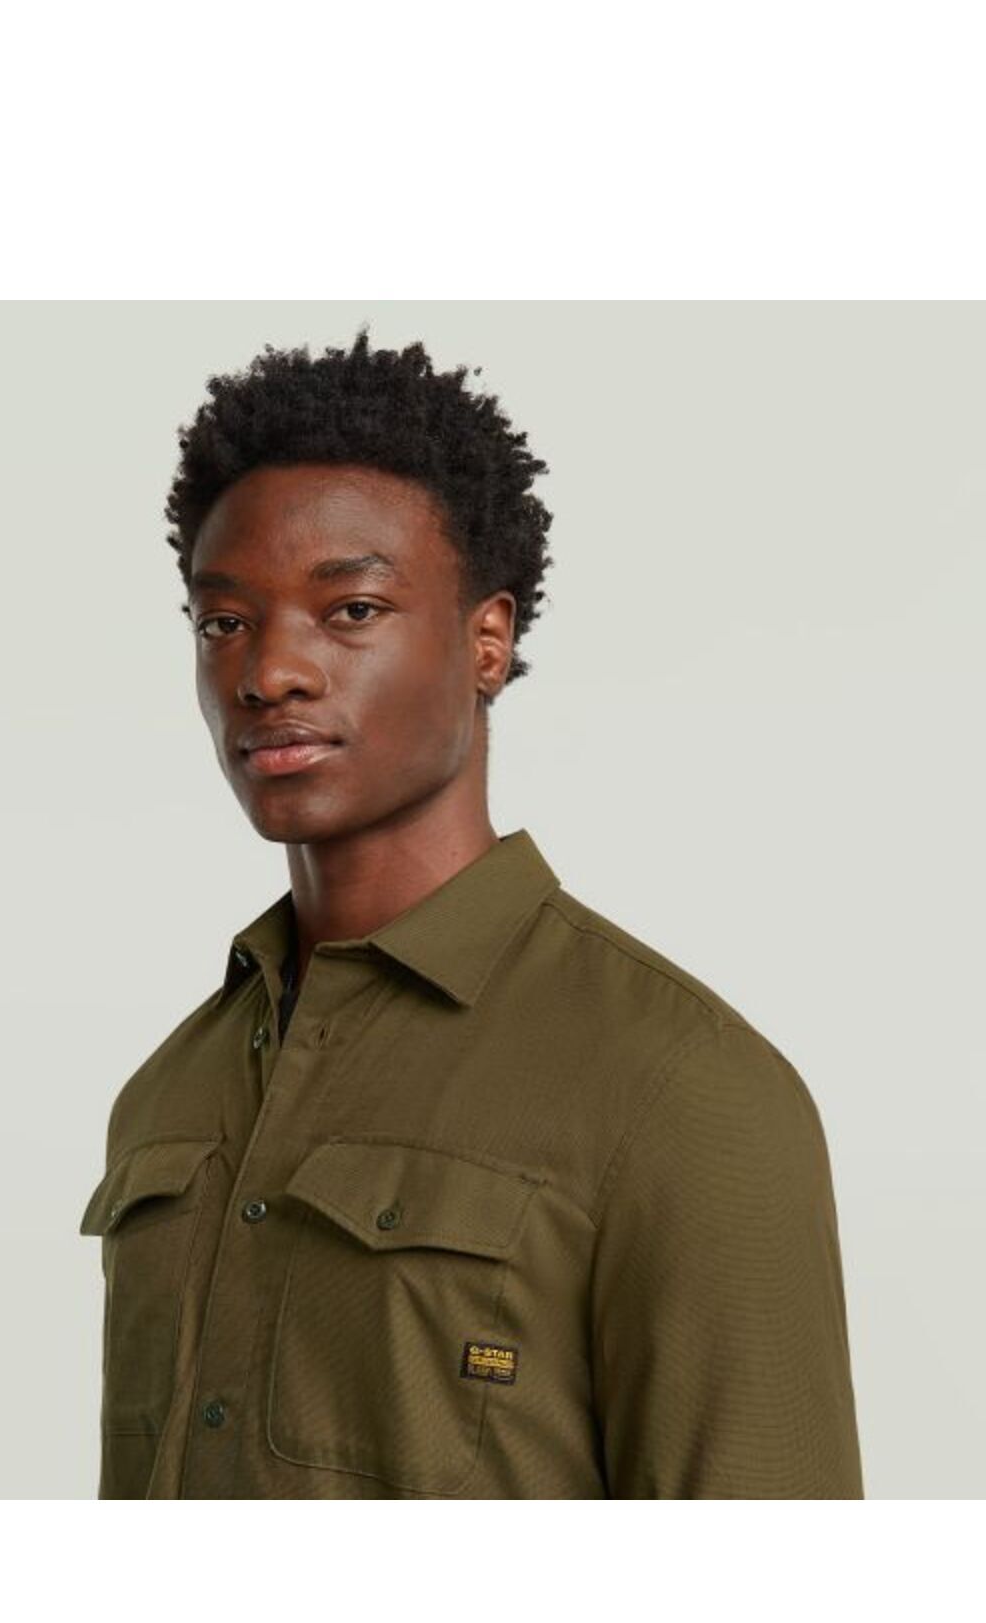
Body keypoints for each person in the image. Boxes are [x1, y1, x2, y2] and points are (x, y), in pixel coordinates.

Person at [80, 326, 864, 1501]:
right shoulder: (168, 1094)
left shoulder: (682, 1093)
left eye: (351, 610)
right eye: (223, 621)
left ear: (487, 641)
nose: (267, 672)